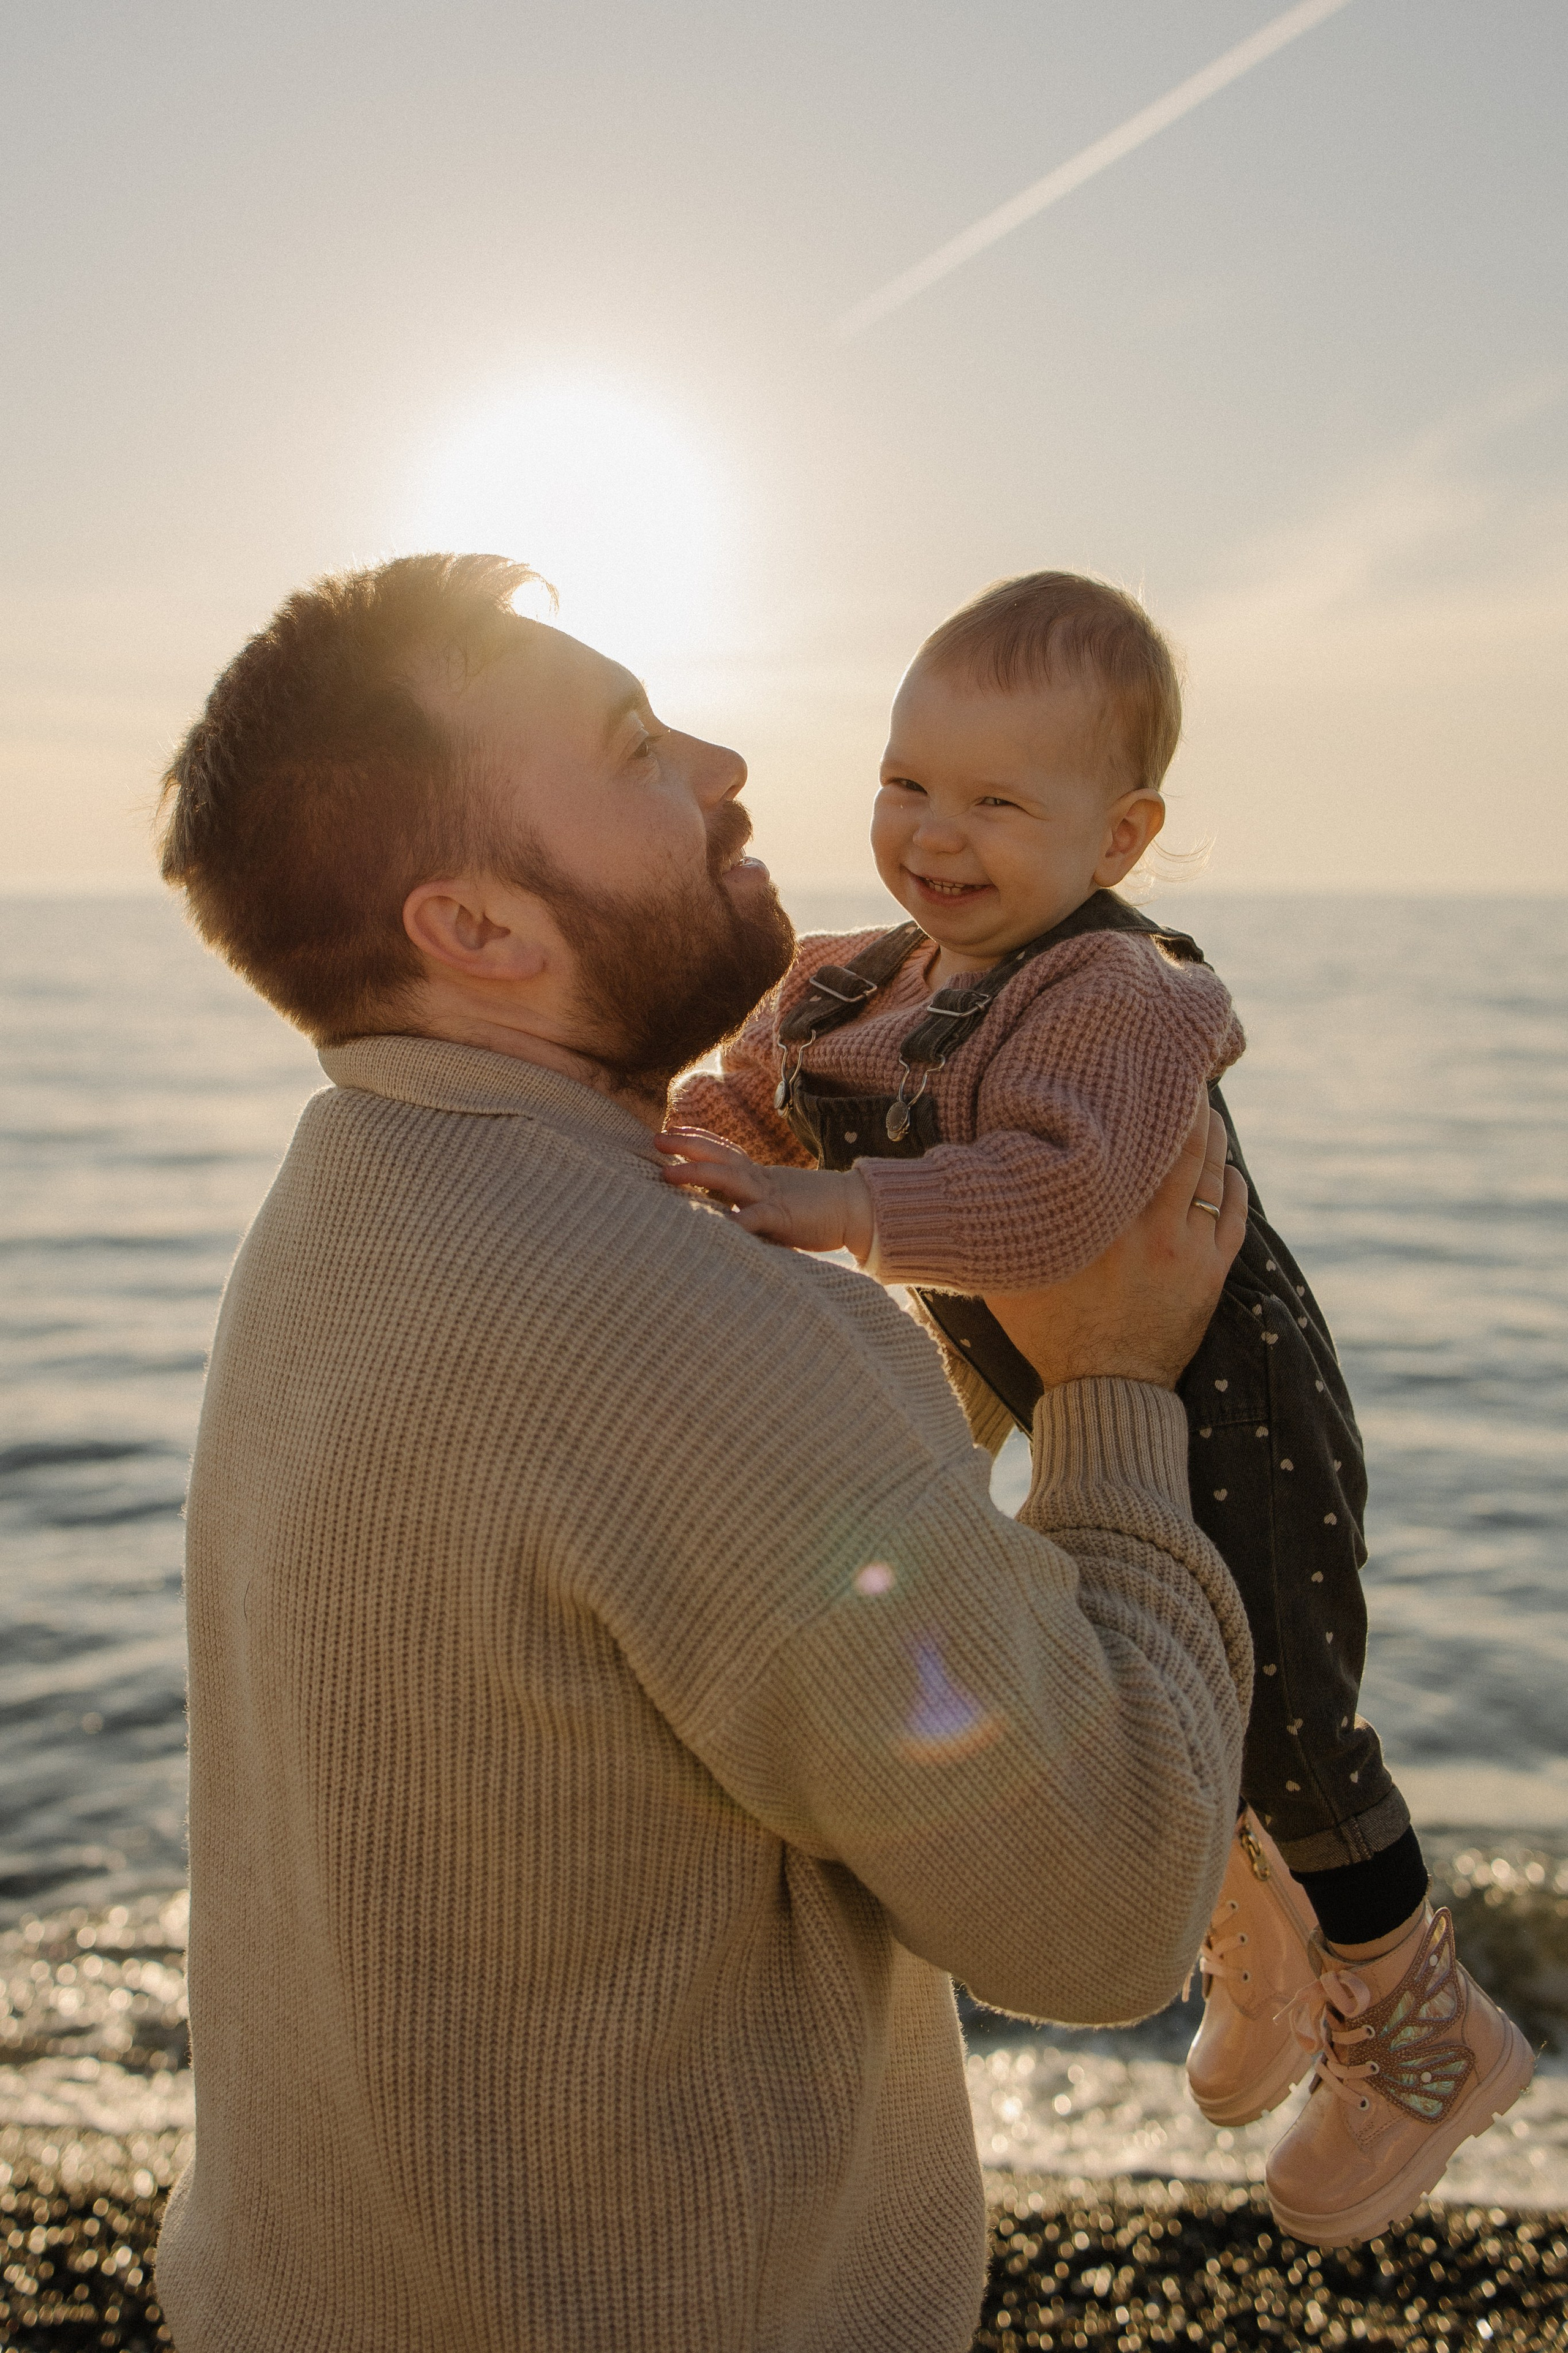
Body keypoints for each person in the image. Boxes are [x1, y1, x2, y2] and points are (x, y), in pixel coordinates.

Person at [151, 551, 1252, 2353]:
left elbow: (733, 1568)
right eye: (636, 746)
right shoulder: (681, 1331)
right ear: (482, 930)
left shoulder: (348, 1192)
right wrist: (1122, 1383)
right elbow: (1107, 1907)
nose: (729, 760)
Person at [663, 572, 1534, 2249]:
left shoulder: (1121, 995)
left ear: (1119, 833)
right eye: (912, 781)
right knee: (1101, 1633)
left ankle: (1429, 2024)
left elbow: (1061, 1206)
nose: (938, 832)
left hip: (1230, 1382)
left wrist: (853, 1219)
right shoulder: (860, 982)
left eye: (1000, 800)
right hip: (1055, 1376)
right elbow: (762, 1080)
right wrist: (706, 1133)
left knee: (1282, 1689)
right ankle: (1253, 1925)